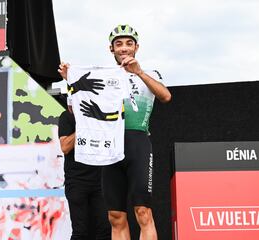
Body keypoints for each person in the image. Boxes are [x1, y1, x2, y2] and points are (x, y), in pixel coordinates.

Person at [58, 24, 171, 240]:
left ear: (136, 47)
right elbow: (75, 110)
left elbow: (166, 96)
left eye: (129, 43)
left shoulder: (150, 73)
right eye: (118, 44)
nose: (124, 48)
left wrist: (138, 72)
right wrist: (70, 79)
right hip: (110, 146)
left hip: (137, 142)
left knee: (143, 212)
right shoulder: (104, 75)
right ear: (112, 49)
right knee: (115, 216)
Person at [58, 109, 111, 240]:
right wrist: (84, 124)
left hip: (100, 180)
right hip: (77, 181)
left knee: (105, 230)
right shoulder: (67, 116)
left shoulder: (101, 113)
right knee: (80, 232)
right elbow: (65, 147)